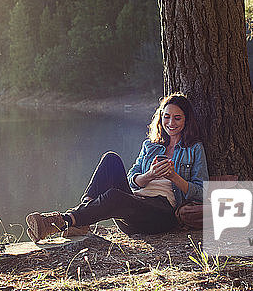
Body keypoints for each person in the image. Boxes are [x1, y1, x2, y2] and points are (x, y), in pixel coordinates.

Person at [25, 92, 209, 241]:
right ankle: (81, 220)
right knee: (110, 159)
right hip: (132, 206)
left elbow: (202, 192)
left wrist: (174, 177)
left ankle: (62, 221)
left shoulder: (193, 149)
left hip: (162, 213)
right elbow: (132, 178)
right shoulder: (150, 146)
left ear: (186, 120)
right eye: (166, 117)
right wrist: (150, 175)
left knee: (114, 196)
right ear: (160, 118)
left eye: (177, 118)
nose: (170, 123)